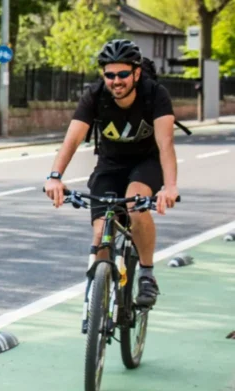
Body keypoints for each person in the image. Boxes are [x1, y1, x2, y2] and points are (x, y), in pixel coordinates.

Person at [44, 39, 179, 308]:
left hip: (146, 162)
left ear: (136, 73)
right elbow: (71, 139)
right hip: (110, 165)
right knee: (100, 232)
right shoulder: (95, 96)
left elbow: (166, 144)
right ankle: (99, 303)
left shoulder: (155, 94)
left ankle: (147, 274)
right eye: (110, 74)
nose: (116, 80)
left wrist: (170, 187)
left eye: (123, 74)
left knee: (136, 205)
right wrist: (55, 176)